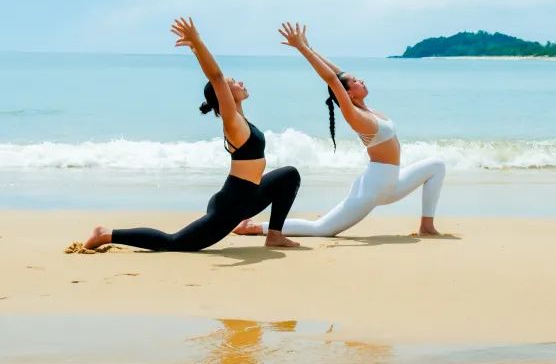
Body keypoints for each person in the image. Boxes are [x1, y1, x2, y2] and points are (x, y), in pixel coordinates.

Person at [83, 17, 301, 252]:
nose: (240, 82)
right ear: (225, 95)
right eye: (233, 82)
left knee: (289, 175)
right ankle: (106, 234)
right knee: (174, 243)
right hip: (231, 206)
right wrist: (197, 43)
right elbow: (216, 77)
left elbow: (219, 82)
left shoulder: (242, 119)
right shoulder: (233, 124)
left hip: (250, 195)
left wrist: (195, 47)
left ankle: (275, 234)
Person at [236, 23, 445, 239]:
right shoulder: (356, 116)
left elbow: (338, 74)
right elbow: (332, 79)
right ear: (349, 95)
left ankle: (426, 226)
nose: (360, 80)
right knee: (323, 229)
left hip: (393, 181)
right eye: (355, 82)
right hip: (375, 187)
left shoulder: (368, 109)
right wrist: (302, 49)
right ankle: (254, 227)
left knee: (437, 165)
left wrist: (310, 47)